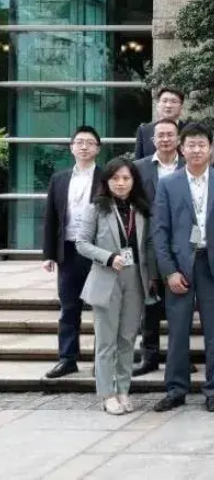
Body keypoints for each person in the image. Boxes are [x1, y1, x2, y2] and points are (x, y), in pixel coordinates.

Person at [152, 123, 214, 413]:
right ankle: (176, 389)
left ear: (211, 149)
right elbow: (160, 231)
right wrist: (169, 271)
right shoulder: (169, 184)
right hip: (180, 268)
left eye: (202, 144)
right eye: (191, 145)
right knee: (178, 332)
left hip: (213, 266)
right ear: (182, 148)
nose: (197, 150)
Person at [75, 158, 157, 415]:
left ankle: (123, 390)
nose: (121, 183)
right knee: (106, 341)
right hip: (106, 277)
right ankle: (106, 394)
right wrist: (108, 257)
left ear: (134, 181)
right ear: (107, 181)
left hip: (135, 278)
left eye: (126, 178)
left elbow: (148, 246)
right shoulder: (96, 208)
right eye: (115, 178)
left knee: (127, 339)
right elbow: (81, 243)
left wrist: (153, 277)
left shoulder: (141, 209)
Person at [41, 125, 103, 379]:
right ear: (71, 147)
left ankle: (102, 360)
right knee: (69, 307)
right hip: (68, 250)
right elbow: (51, 218)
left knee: (102, 308)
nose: (84, 146)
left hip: (98, 252)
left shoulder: (107, 177)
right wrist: (48, 254)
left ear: (98, 148)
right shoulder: (60, 178)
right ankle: (67, 359)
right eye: (79, 142)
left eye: (90, 142)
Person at [132, 119, 183, 376]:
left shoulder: (189, 165)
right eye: (160, 135)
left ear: (178, 139)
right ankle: (149, 356)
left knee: (180, 305)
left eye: (170, 135)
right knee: (150, 302)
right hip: (149, 242)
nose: (165, 139)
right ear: (152, 140)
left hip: (183, 242)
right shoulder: (139, 167)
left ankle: (179, 357)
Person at [134, 87, 185, 159]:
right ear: (157, 105)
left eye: (174, 102)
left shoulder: (189, 131)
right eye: (164, 101)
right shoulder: (144, 131)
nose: (168, 105)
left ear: (181, 108)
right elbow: (138, 161)